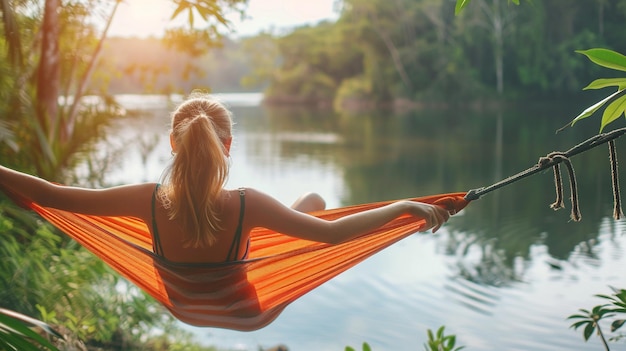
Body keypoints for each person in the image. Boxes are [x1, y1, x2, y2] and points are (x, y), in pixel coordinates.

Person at [0, 91, 453, 264]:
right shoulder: (247, 203)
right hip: (246, 308)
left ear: (174, 145)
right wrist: (405, 206)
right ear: (228, 146)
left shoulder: (145, 200)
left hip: (180, 297)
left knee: (308, 203)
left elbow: (51, 194)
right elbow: (331, 237)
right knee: (314, 201)